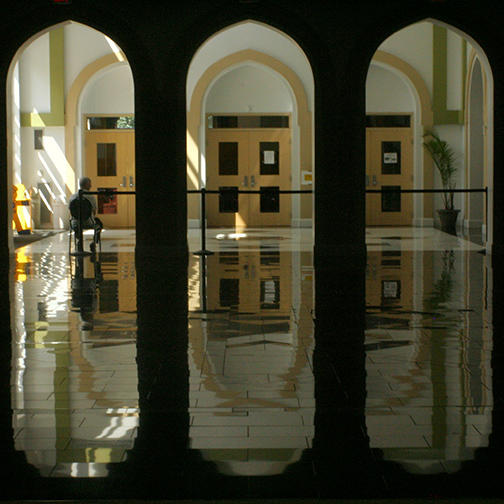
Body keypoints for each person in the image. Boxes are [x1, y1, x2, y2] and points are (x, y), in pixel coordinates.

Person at [69, 176, 103, 251]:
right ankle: (94, 243)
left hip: (74, 223)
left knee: (78, 226)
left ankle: (79, 242)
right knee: (99, 224)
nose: (91, 186)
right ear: (86, 185)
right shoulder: (91, 197)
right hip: (88, 222)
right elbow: (94, 213)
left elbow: (71, 211)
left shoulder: (72, 197)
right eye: (90, 184)